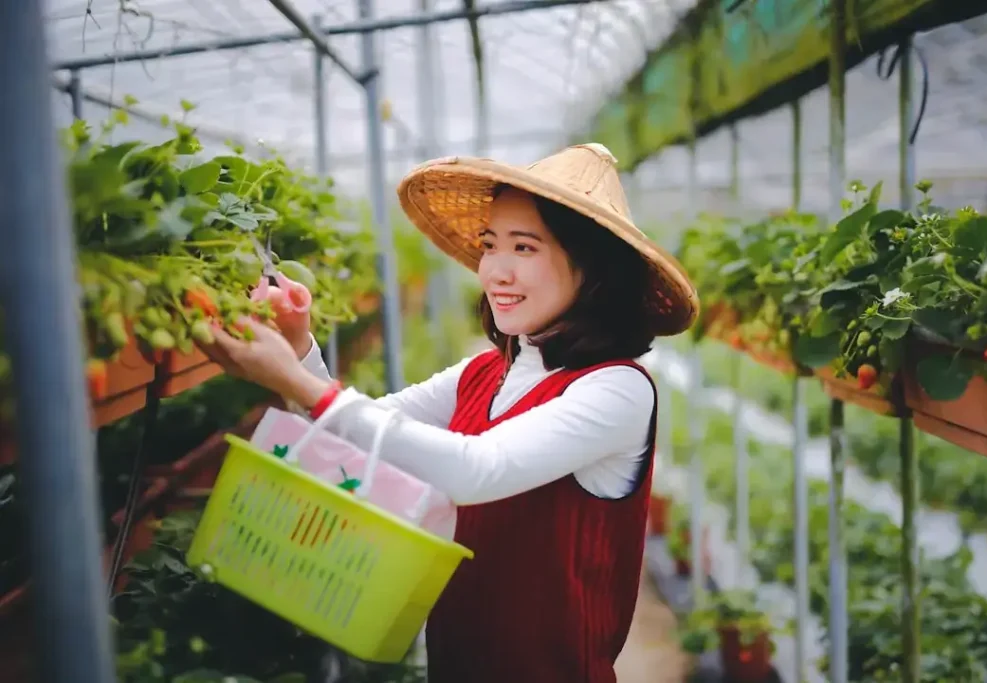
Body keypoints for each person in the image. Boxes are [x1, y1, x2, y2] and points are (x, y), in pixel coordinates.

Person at [197, 143, 699, 682]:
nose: (496, 272)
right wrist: (299, 348)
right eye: (491, 245)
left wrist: (292, 379)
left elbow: (476, 469)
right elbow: (353, 436)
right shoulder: (482, 374)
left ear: (592, 271)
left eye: (525, 248)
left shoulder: (617, 390)